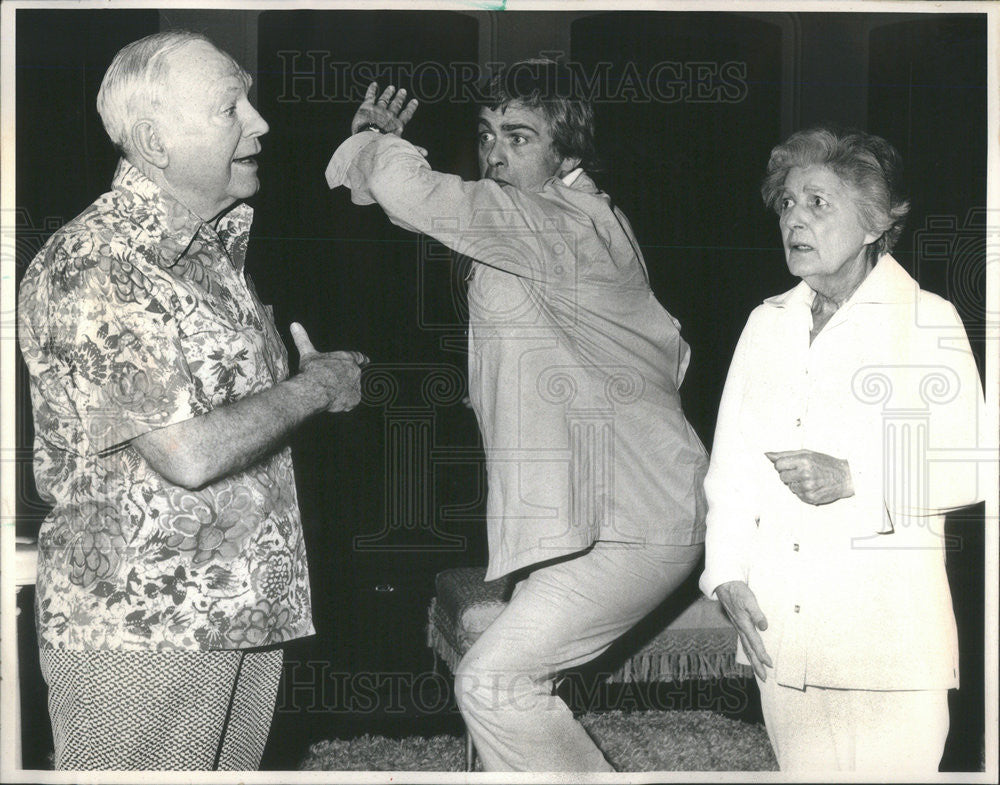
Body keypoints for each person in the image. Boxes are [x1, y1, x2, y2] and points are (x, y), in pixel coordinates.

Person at [325, 61, 708, 771]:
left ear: (568, 155)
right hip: (598, 518)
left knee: (494, 683)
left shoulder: (558, 225)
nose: (495, 152)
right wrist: (367, 163)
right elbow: (408, 201)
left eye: (520, 136)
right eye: (487, 133)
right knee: (507, 686)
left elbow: (412, 192)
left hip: (641, 524)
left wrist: (378, 142)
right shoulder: (564, 219)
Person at [18, 30, 367, 770]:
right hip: (141, 630)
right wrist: (313, 389)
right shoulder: (100, 261)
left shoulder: (211, 253)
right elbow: (187, 452)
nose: (261, 121)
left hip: (239, 610)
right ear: (155, 141)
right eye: (231, 104)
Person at [700, 127, 986, 773]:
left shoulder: (926, 318)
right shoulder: (765, 322)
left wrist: (857, 477)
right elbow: (733, 469)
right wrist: (727, 574)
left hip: (887, 632)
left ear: (873, 222)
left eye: (818, 203)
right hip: (782, 628)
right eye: (786, 204)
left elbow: (972, 463)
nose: (795, 218)